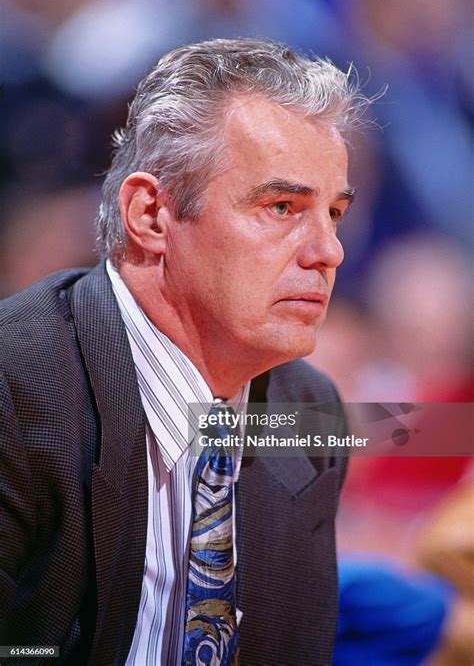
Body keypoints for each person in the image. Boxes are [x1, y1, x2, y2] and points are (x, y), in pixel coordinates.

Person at [0, 39, 367, 665]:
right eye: (282, 207)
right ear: (151, 215)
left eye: (334, 214)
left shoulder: (310, 412)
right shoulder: (15, 387)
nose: (328, 251)